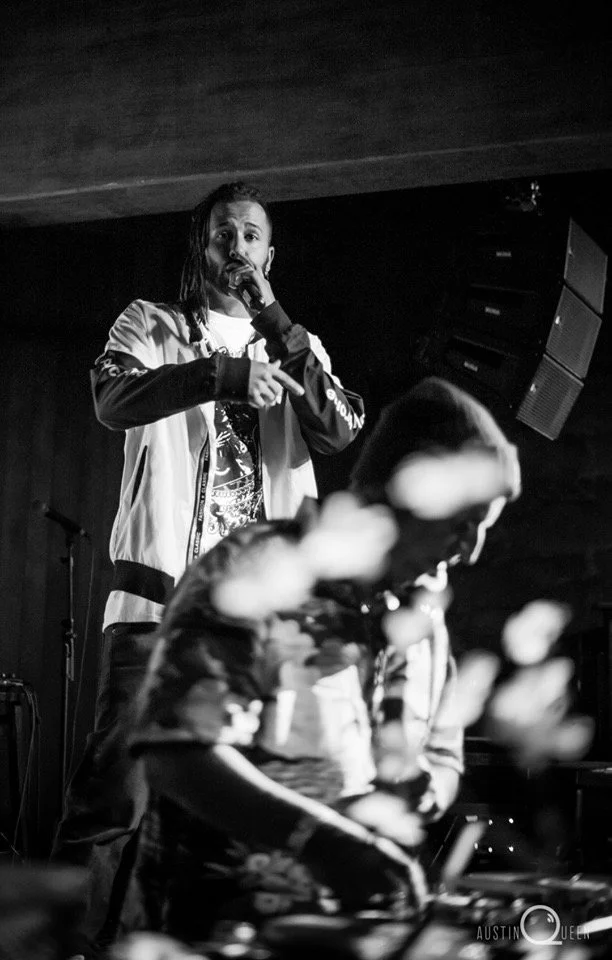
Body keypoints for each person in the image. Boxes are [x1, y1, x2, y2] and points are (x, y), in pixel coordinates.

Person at [51, 181, 365, 953]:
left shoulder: (297, 346)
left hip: (259, 627)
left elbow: (339, 428)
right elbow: (110, 398)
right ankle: (72, 944)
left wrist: (279, 327)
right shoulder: (150, 324)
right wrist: (219, 378)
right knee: (115, 797)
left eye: (252, 236)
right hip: (157, 610)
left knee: (255, 804)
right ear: (203, 248)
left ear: (269, 254)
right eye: (224, 235)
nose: (238, 249)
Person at [117, 376, 521, 948]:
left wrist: (427, 785)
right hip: (207, 935)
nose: (471, 550)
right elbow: (179, 757)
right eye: (464, 523)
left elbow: (443, 755)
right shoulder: (258, 571)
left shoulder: (422, 617)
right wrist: (323, 842)